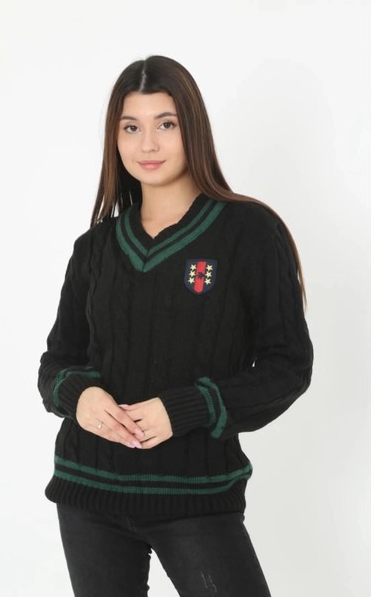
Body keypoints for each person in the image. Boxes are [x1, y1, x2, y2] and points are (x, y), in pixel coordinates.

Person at [38, 55, 313, 597]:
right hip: (88, 493)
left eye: (166, 124)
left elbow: (288, 366)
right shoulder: (94, 248)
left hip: (196, 496)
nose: (148, 144)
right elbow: (57, 363)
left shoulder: (249, 232)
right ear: (115, 139)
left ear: (193, 129)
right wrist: (80, 397)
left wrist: (187, 408)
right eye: (131, 128)